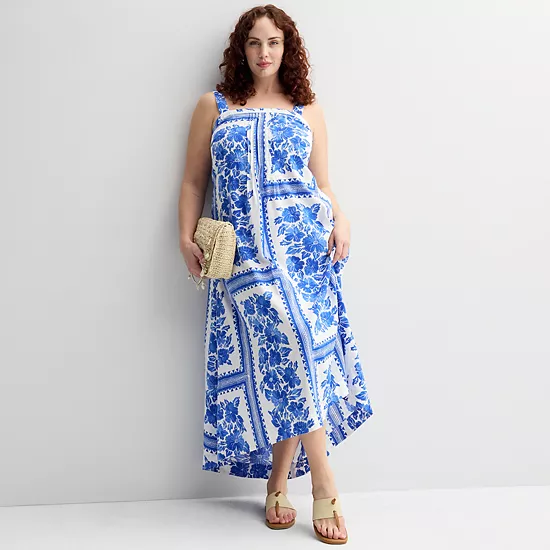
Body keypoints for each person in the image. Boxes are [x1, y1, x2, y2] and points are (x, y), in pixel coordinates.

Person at [178, 4, 373, 545]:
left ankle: (278, 485)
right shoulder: (215, 106)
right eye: (254, 43)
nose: (264, 53)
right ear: (240, 50)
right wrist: (185, 236)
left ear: (288, 50)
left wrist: (341, 218)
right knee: (292, 348)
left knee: (289, 360)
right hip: (246, 257)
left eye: (274, 43)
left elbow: (323, 183)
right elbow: (193, 182)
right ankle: (325, 481)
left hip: (306, 250)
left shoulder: (308, 109)